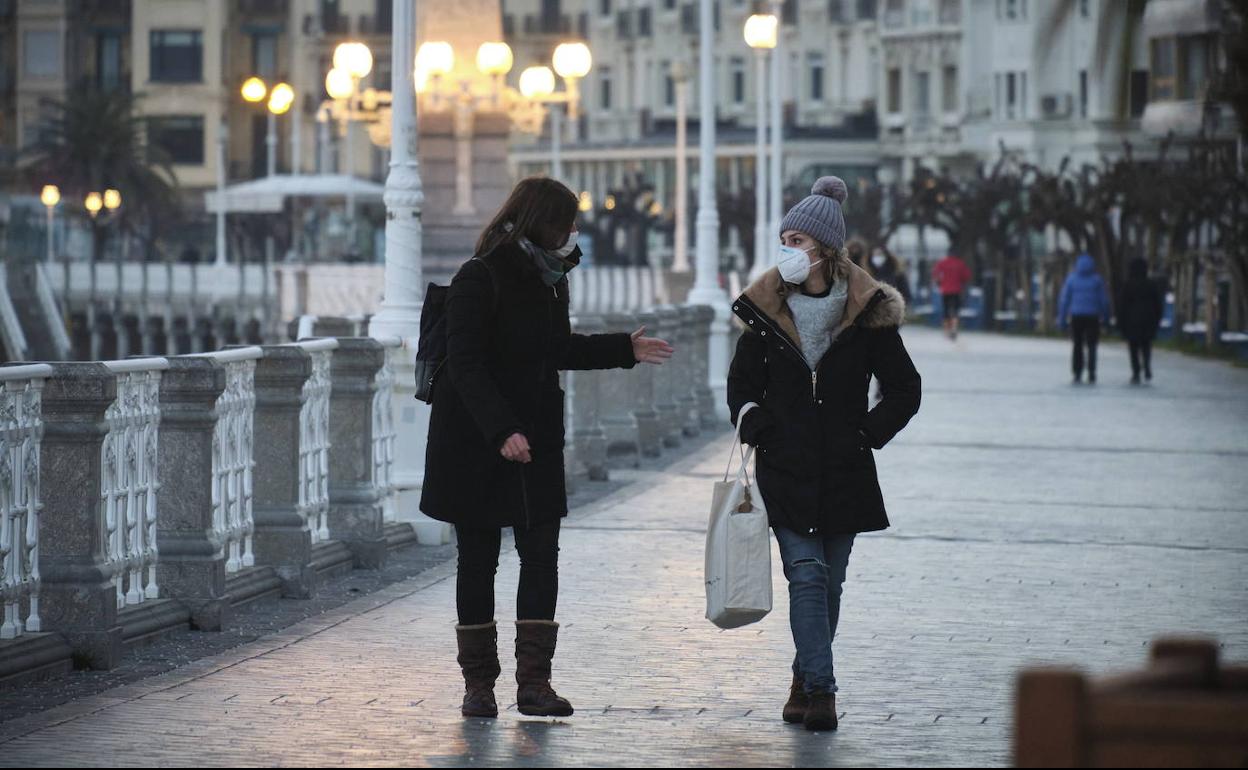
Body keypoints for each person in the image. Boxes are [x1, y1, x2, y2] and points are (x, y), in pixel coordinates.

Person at [420, 177, 674, 720]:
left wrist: (622, 349)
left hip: (535, 441)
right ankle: (479, 687)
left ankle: (534, 684)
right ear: (540, 220)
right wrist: (500, 431)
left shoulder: (552, 279)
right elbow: (464, 365)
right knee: (477, 561)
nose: (575, 231)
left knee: (541, 559)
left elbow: (557, 348)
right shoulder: (479, 277)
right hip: (476, 444)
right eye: (568, 221)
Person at [727, 176, 922, 732]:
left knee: (829, 584)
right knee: (807, 576)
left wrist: (865, 435)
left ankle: (802, 675)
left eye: (797, 240)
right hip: (785, 468)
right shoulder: (764, 313)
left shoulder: (868, 314)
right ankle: (822, 690)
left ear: (824, 249)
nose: (788, 249)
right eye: (784, 238)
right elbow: (740, 387)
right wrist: (759, 427)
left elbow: (905, 389)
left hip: (844, 470)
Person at [1058, 253, 1112, 385]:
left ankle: (1077, 372)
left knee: (1077, 345)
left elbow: (1064, 300)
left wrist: (1062, 319)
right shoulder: (1096, 280)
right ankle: (1092, 372)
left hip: (1076, 316)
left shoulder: (1071, 279)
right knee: (1092, 345)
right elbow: (1103, 301)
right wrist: (1106, 318)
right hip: (1093, 317)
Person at [1117, 257, 1163, 385]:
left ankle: (1136, 371)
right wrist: (1157, 319)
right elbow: (1158, 304)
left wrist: (1121, 322)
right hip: (1148, 319)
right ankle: (1147, 366)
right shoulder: (1151, 285)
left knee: (1133, 348)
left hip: (1131, 321)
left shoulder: (1127, 285)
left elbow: (1122, 306)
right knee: (1146, 345)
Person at [932, 252, 972, 340]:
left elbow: (935, 273)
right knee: (956, 310)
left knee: (946, 309)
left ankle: (946, 330)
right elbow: (966, 276)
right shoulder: (960, 263)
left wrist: (939, 282)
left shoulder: (942, 263)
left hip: (945, 290)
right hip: (957, 290)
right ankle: (954, 327)